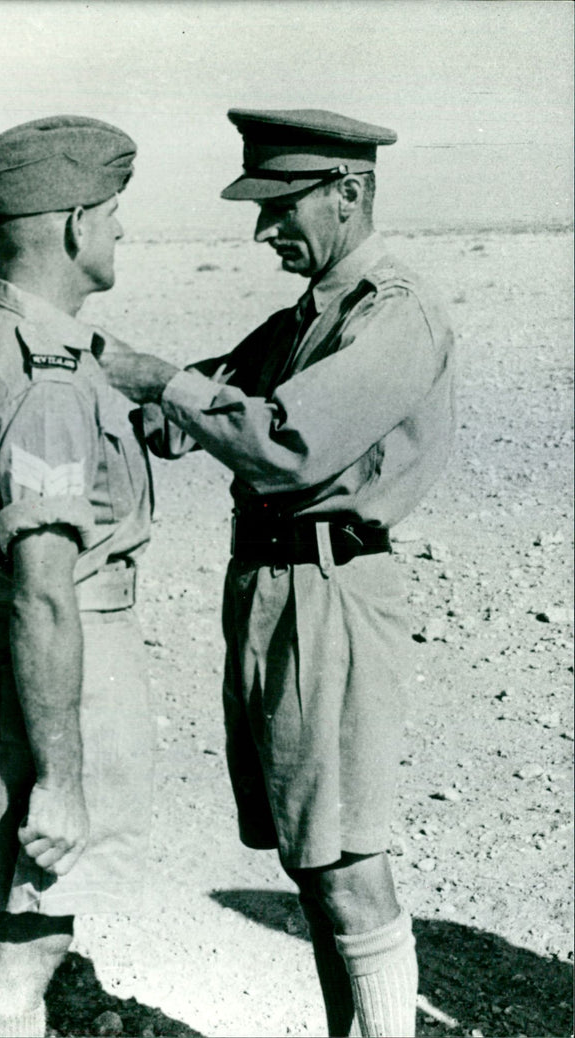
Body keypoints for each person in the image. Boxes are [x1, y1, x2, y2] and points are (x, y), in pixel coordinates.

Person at [100, 107, 455, 1037]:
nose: (265, 231)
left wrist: (158, 379)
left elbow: (284, 446)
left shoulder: (393, 314)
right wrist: (97, 384)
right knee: (312, 858)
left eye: (283, 206)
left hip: (329, 595)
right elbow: (194, 411)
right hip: (273, 594)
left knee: (344, 866)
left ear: (349, 193)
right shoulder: (306, 319)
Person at [0, 115, 155, 1038]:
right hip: (48, 677)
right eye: (112, 213)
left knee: (15, 919)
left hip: (5, 661)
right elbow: (47, 593)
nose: (119, 232)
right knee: (29, 935)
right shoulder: (48, 382)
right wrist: (60, 779)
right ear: (73, 226)